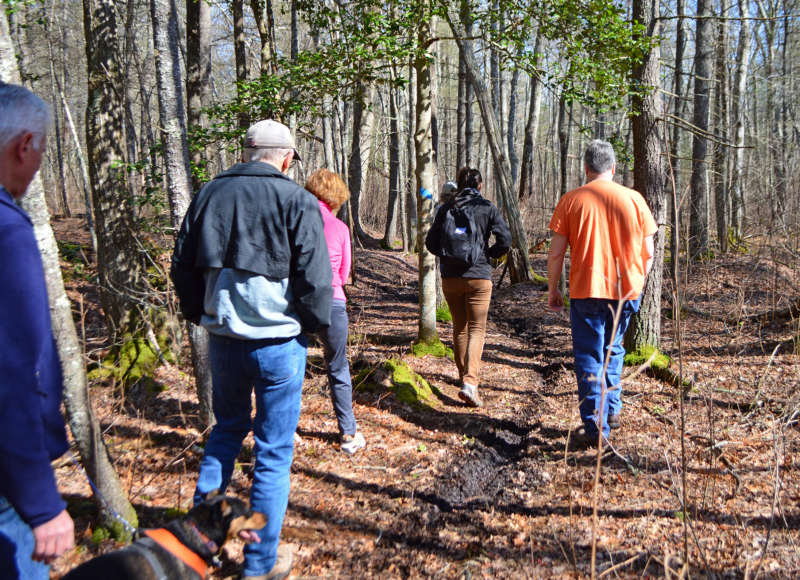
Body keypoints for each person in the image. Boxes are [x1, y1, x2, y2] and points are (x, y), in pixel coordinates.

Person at [171, 119, 332, 580]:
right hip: (280, 343)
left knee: (225, 433)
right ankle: (259, 565)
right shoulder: (296, 199)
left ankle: (197, 547)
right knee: (273, 453)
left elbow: (181, 265)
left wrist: (201, 312)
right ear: (285, 157)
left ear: (246, 152)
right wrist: (308, 326)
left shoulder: (208, 195)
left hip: (224, 340)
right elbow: (317, 280)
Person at [0, 83, 74, 578]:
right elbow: (12, 375)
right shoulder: (8, 232)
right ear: (25, 145)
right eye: (43, 149)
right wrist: (41, 501)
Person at [547, 139, 657, 448]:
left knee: (589, 355)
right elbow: (648, 251)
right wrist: (639, 282)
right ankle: (611, 410)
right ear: (613, 167)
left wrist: (553, 288)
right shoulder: (634, 199)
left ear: (586, 168)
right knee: (614, 348)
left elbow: (556, 255)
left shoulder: (572, 200)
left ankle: (597, 428)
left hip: (586, 291)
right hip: (625, 291)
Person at [425, 167, 511, 407]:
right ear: (480, 186)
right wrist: (489, 255)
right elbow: (505, 240)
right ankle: (470, 383)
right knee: (477, 329)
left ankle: (464, 378)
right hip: (479, 276)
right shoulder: (487, 207)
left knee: (460, 328)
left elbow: (430, 243)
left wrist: (448, 256)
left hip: (450, 278)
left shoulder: (445, 209)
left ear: (460, 186)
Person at [304, 169, 365, 455]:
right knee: (338, 367)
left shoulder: (296, 222)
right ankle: (348, 434)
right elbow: (343, 275)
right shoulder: (340, 228)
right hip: (333, 301)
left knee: (290, 367)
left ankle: (282, 432)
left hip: (299, 303)